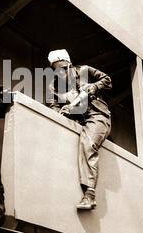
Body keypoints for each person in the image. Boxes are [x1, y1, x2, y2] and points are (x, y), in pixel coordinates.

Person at [47, 49, 112, 210]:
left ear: (69, 63)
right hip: (77, 122)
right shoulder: (54, 86)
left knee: (87, 142)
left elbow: (107, 80)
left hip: (98, 116)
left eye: (63, 69)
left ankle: (89, 194)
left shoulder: (85, 70)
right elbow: (53, 106)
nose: (61, 74)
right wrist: (63, 111)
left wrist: (93, 87)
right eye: (56, 70)